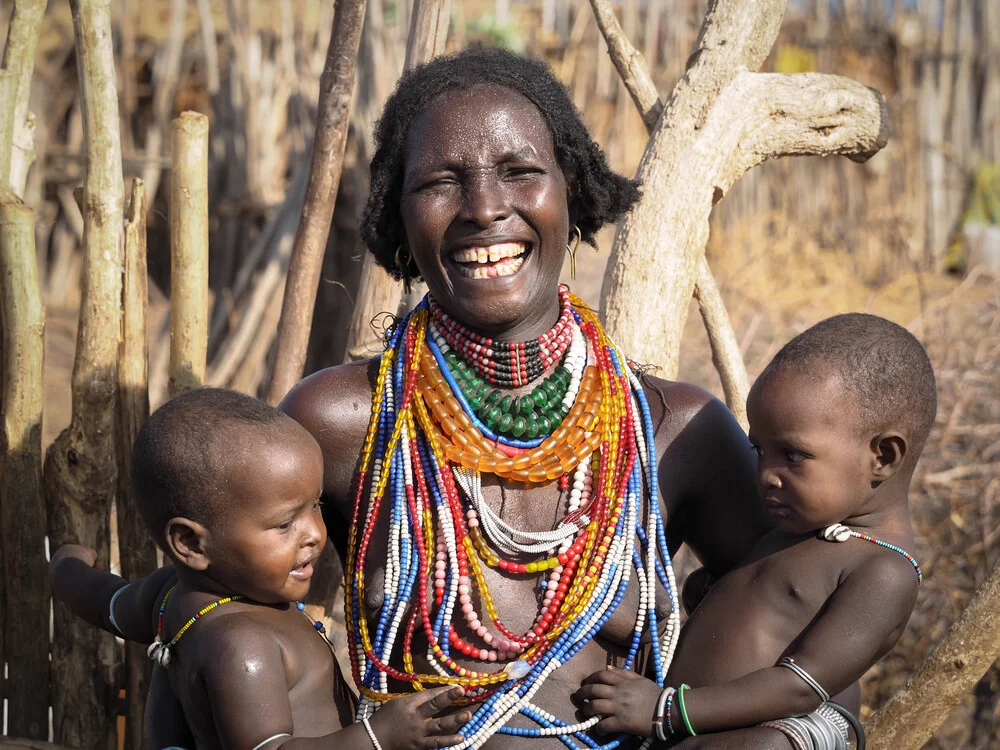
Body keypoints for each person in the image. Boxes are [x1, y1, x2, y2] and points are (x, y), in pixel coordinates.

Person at [273, 46, 787, 749]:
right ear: (399, 217)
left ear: (571, 189)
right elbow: (235, 615)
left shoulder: (676, 431)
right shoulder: (342, 423)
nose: (484, 209)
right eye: (440, 183)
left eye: (520, 172)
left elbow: (805, 617)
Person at [573, 314, 935, 749]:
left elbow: (800, 687)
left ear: (884, 456)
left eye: (793, 455)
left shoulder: (885, 572)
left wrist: (665, 710)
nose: (766, 474)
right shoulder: (807, 528)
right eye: (759, 450)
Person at [50, 388, 470, 750]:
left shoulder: (167, 595)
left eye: (316, 506)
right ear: (191, 544)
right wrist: (379, 737)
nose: (315, 535)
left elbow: (104, 601)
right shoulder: (244, 646)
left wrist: (68, 563)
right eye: (285, 524)